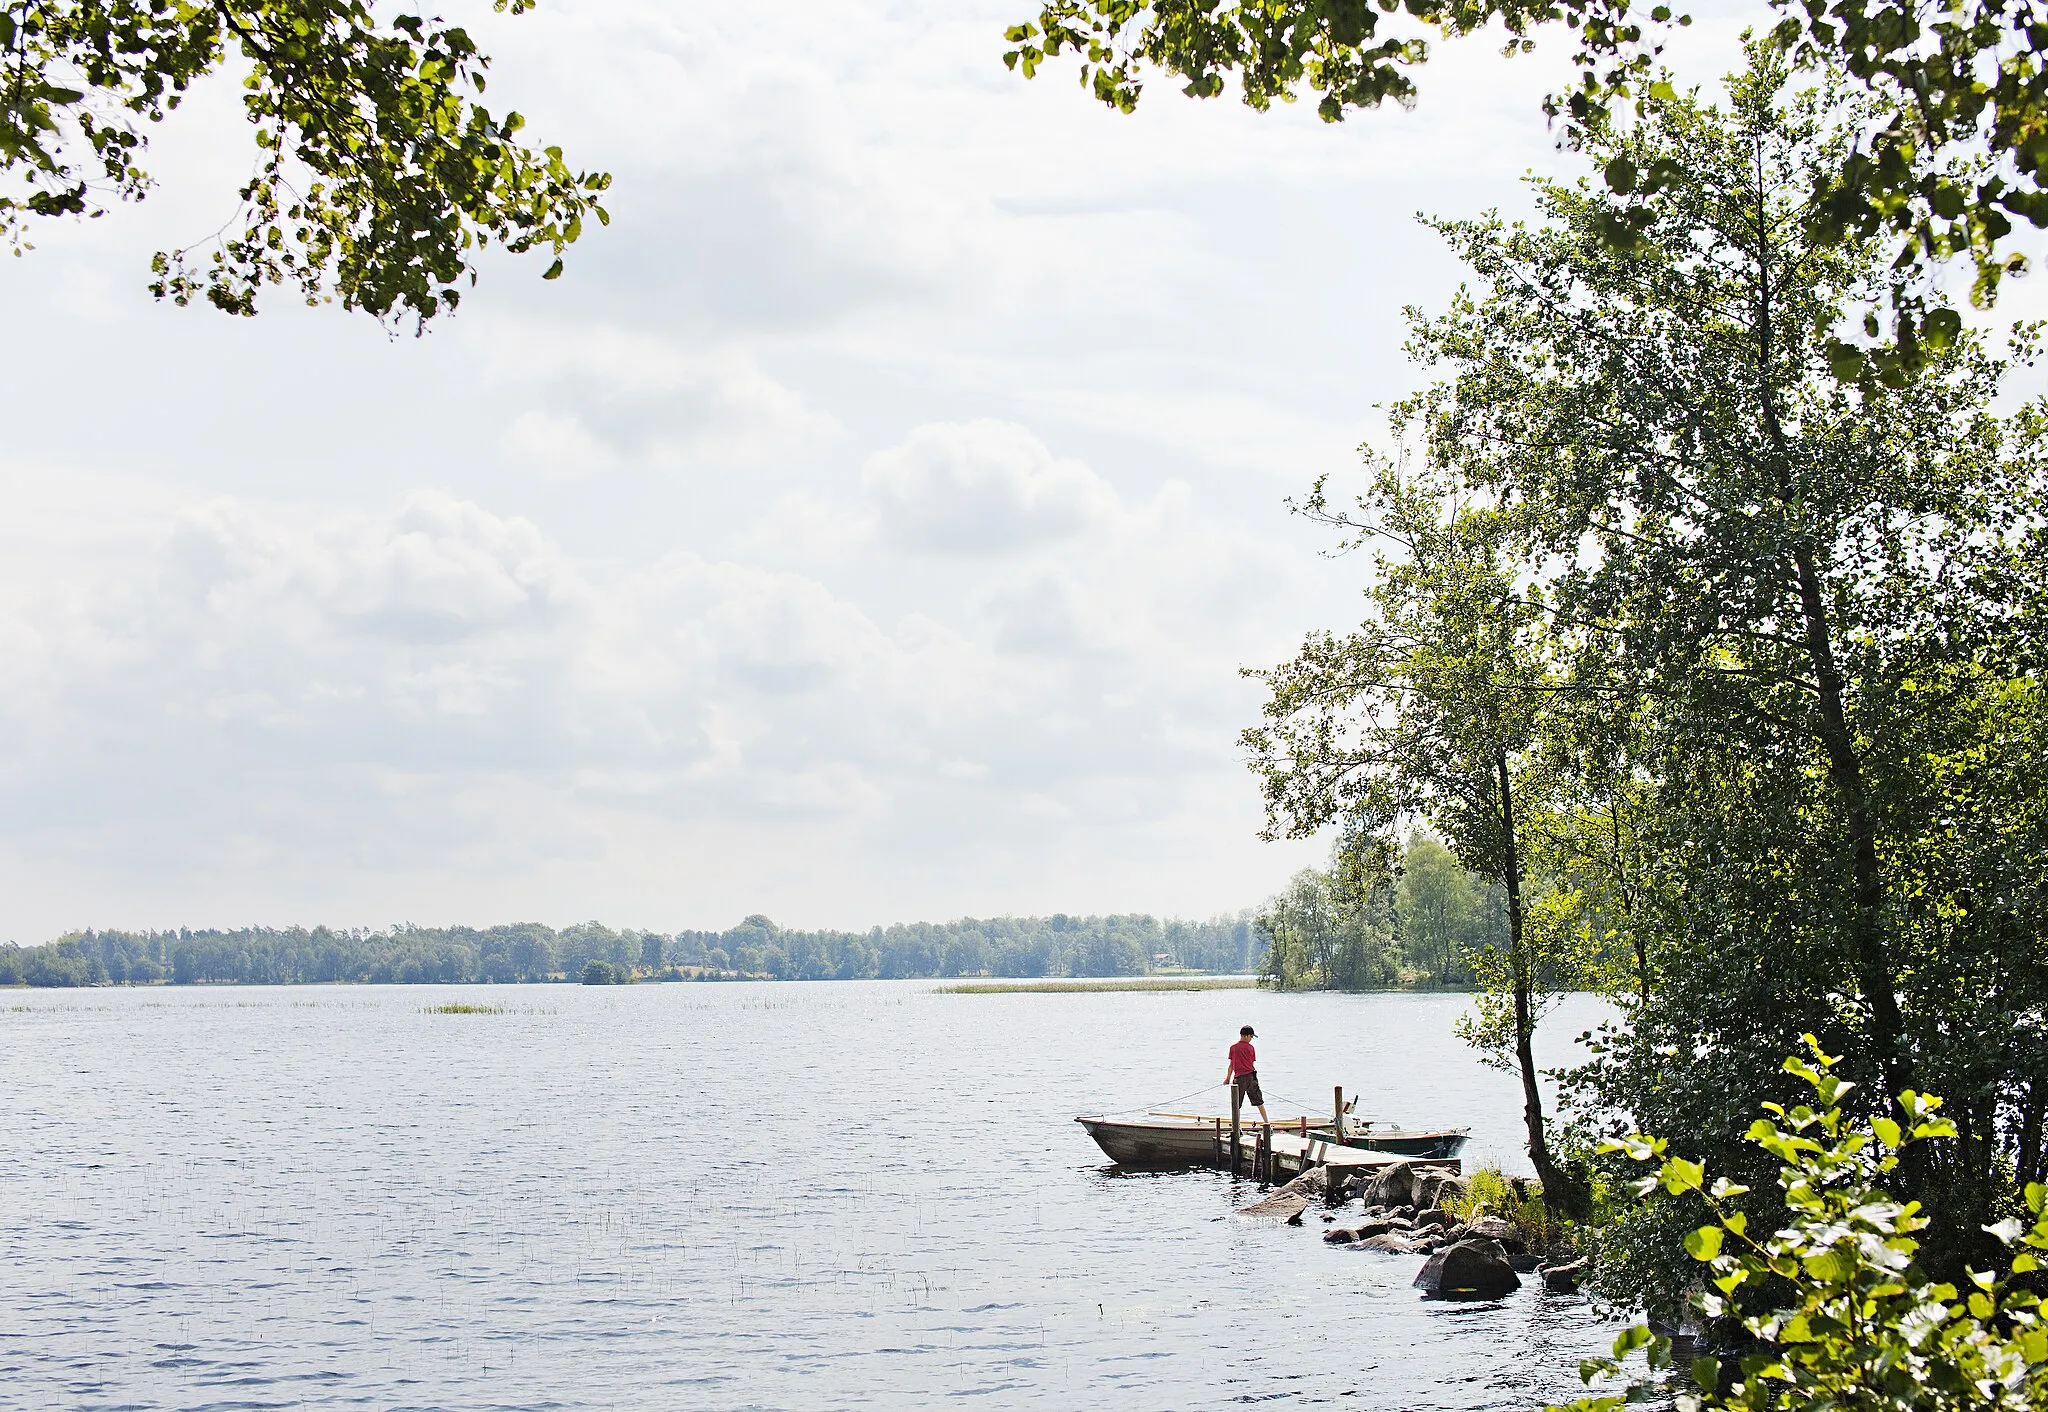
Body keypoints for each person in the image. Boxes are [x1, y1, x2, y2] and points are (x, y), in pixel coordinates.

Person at [1224, 1024, 1271, 1130]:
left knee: (1236, 1104)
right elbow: (1251, 1064)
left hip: (1239, 1078)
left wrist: (1227, 1079)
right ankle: (1267, 1123)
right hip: (1251, 1077)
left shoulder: (1233, 1048)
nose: (1251, 1039)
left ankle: (1237, 1127)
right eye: (1251, 1037)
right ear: (1246, 1036)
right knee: (1259, 1101)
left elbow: (1231, 1066)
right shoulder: (1251, 1048)